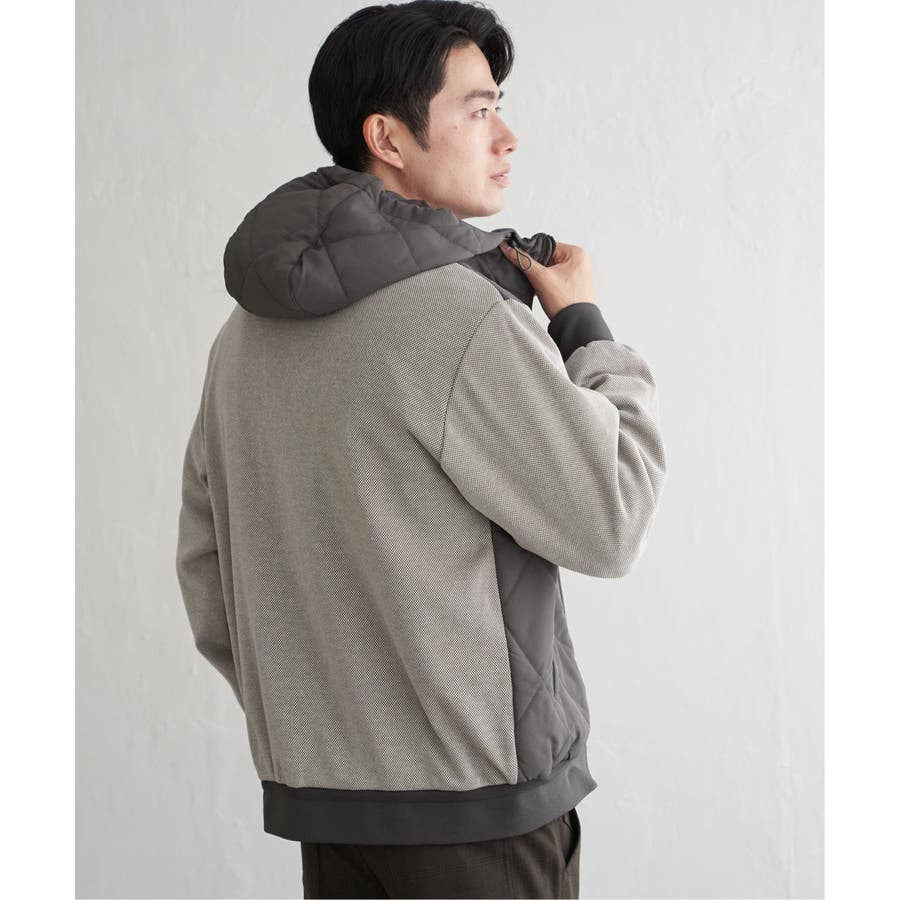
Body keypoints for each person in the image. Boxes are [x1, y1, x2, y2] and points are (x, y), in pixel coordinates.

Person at [175, 1, 667, 896]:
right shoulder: (459, 317)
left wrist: (326, 723)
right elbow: (613, 517)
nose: (506, 136)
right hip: (478, 820)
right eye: (477, 110)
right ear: (387, 138)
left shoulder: (241, 339)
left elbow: (209, 574)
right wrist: (586, 329)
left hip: (330, 813)